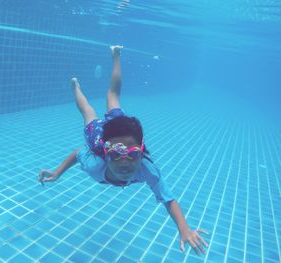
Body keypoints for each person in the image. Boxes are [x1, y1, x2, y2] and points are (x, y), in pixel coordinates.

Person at [38, 45, 209, 255]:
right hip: (98, 138)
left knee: (113, 95)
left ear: (140, 151)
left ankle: (115, 54)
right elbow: (77, 154)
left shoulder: (147, 169)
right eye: (117, 156)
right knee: (88, 111)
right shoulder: (95, 164)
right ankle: (75, 86)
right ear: (108, 155)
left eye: (134, 155)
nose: (125, 163)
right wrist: (57, 172)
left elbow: (168, 199)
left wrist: (184, 229)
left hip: (118, 133)